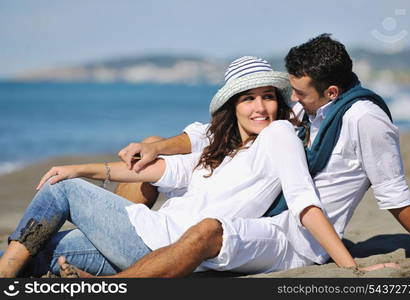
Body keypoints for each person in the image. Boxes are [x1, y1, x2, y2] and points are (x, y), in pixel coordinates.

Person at [62, 33, 410, 278]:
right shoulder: (314, 112)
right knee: (62, 244)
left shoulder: (364, 119)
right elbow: (208, 133)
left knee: (204, 232)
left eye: (296, 93)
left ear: (331, 91)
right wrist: (156, 145)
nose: (291, 100)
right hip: (269, 220)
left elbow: (395, 197)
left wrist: (349, 265)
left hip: (295, 236)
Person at [0, 56, 371, 278]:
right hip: (149, 247)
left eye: (268, 97)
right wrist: (82, 167)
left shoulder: (278, 136)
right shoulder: (221, 151)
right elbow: (156, 170)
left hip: (161, 242)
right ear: (233, 107)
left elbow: (304, 201)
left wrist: (348, 266)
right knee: (41, 248)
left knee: (60, 190)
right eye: (249, 99)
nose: (260, 107)